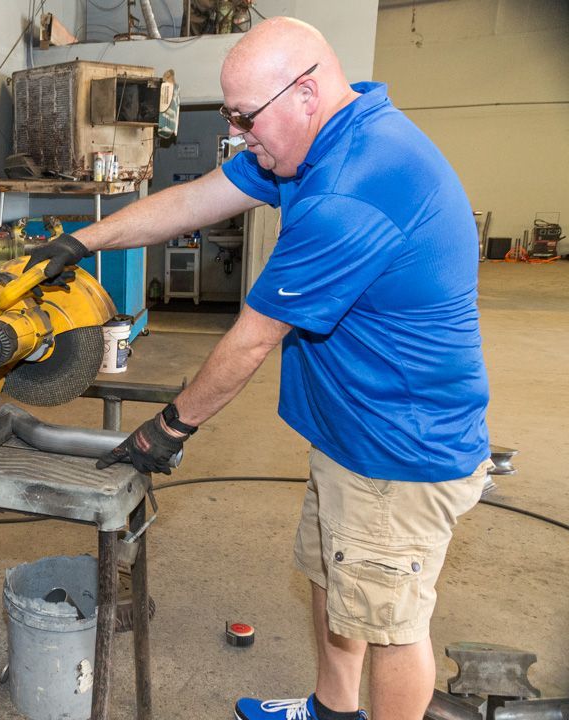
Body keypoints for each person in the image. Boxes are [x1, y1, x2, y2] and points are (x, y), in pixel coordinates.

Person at [26, 16, 491, 720]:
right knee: (334, 584)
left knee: (391, 625)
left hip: (400, 451)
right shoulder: (320, 139)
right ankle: (331, 710)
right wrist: (78, 241)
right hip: (349, 433)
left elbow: (250, 340)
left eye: (246, 119)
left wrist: (168, 430)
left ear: (306, 92)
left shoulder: (353, 188)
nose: (240, 136)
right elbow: (193, 199)